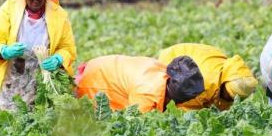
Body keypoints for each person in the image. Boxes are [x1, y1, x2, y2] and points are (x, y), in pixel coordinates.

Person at [75, 55, 205, 113]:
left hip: (103, 66)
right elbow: (134, 121)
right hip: (95, 80)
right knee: (101, 116)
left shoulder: (162, 72)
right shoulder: (146, 93)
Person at [157, 43, 257, 110]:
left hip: (189, 57)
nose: (232, 99)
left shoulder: (231, 69)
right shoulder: (203, 87)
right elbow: (183, 108)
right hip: (170, 62)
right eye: (229, 95)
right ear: (224, 83)